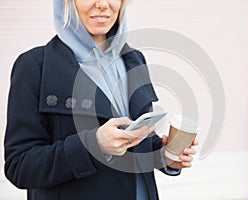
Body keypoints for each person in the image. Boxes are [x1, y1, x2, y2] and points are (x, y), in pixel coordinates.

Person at [4, 0, 198, 199]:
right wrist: (94, 145)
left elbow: (135, 138)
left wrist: (163, 156)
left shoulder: (134, 59)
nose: (103, 4)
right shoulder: (35, 66)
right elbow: (20, 167)